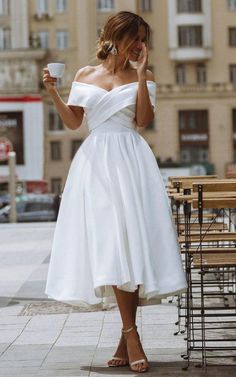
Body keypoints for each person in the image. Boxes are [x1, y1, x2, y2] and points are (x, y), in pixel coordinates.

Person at [43, 11, 187, 374]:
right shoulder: (84, 75)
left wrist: (139, 76)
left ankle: (128, 335)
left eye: (144, 39)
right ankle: (131, 334)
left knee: (130, 244)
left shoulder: (145, 75)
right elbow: (75, 122)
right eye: (135, 38)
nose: (141, 45)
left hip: (131, 160)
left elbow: (144, 120)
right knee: (111, 242)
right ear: (114, 36)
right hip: (95, 163)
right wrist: (53, 93)